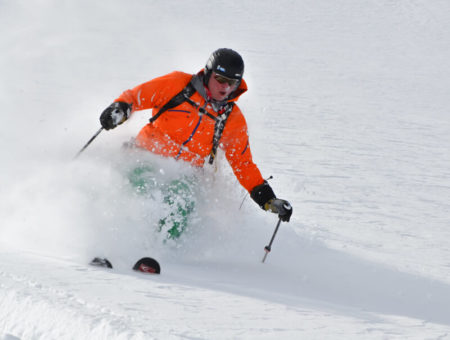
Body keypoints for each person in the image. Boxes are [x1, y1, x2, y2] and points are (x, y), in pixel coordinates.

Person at [99, 48, 293, 233]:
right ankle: (117, 237)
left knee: (182, 200)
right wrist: (120, 109)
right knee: (142, 188)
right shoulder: (177, 85)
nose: (226, 87)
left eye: (232, 83)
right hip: (145, 156)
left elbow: (243, 163)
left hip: (185, 172)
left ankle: (157, 254)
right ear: (208, 74)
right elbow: (136, 97)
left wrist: (267, 199)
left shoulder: (232, 119)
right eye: (220, 79)